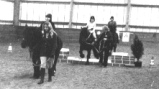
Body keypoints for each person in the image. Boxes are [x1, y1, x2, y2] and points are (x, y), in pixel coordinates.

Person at [37, 14, 58, 84]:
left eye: (46, 27)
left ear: (49, 27)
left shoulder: (53, 35)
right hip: (43, 52)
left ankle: (49, 77)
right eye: (44, 27)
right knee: (43, 64)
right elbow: (39, 43)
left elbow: (54, 45)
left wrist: (52, 54)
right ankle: (42, 79)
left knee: (49, 65)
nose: (45, 28)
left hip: (50, 52)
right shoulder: (42, 34)